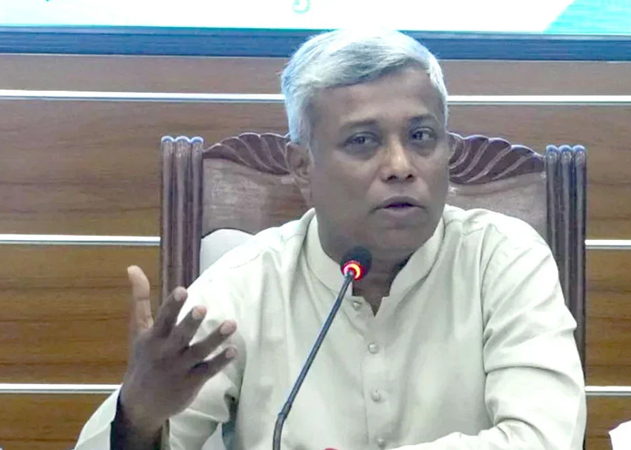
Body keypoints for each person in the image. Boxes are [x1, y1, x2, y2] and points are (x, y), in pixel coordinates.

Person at [75, 29, 586, 450]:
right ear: (302, 167)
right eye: (363, 141)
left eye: (421, 136)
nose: (401, 166)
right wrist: (138, 418)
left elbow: (545, 439)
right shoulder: (245, 285)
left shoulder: (502, 259)